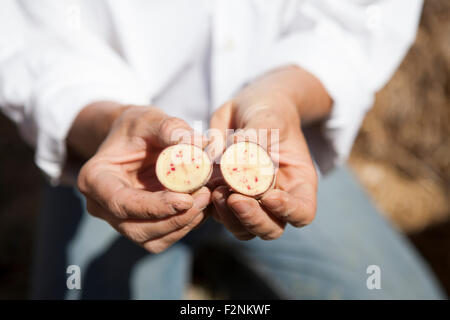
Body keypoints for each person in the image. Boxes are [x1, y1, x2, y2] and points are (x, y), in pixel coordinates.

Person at [0, 0, 444, 299]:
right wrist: (108, 122)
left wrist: (282, 96)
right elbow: (29, 37)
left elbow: (358, 20)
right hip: (118, 162)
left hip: (278, 151)